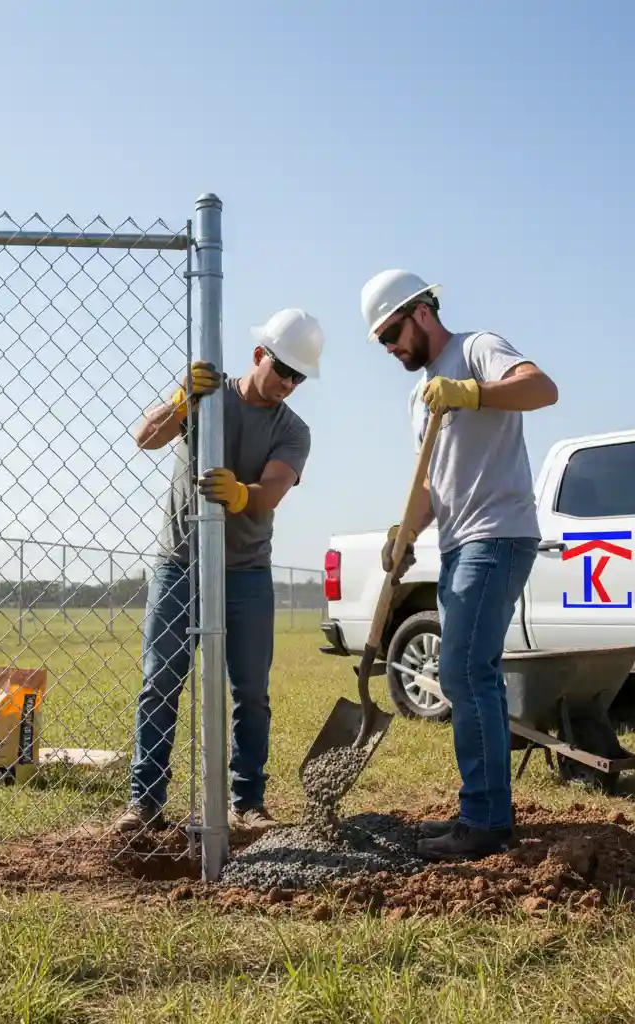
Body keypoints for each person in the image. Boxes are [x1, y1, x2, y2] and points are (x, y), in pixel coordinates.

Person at [359, 269, 558, 861]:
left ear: (421, 312)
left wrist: (472, 391)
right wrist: (407, 529)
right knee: (474, 675)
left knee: (464, 674)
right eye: (381, 341)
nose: (391, 347)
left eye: (392, 332)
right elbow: (430, 479)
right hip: (458, 542)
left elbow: (541, 388)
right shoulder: (420, 398)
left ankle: (485, 821)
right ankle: (485, 810)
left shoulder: (476, 348)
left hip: (496, 535)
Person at [113, 307, 324, 834]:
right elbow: (145, 437)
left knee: (250, 690)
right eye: (283, 370)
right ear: (258, 356)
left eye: (299, 377)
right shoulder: (207, 399)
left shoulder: (293, 430)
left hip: (247, 573)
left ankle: (247, 801)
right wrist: (181, 401)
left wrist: (240, 494)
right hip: (180, 564)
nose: (288, 385)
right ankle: (145, 804)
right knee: (160, 680)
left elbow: (271, 491)